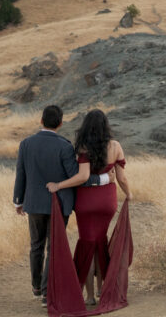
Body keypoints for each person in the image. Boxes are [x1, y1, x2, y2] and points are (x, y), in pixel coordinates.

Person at [13, 105, 109, 305]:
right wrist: (103, 179)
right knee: (53, 247)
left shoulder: (26, 144)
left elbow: (21, 174)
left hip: (34, 203)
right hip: (59, 204)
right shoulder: (65, 146)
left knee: (35, 245)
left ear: (41, 121)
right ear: (60, 123)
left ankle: (36, 287)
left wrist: (18, 201)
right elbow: (78, 177)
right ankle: (48, 294)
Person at [46, 109, 131, 305]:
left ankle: (90, 297)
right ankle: (103, 289)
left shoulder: (83, 148)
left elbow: (83, 177)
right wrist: (129, 193)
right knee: (100, 242)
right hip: (107, 202)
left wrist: (58, 185)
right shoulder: (116, 146)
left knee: (87, 244)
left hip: (86, 203)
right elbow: (121, 178)